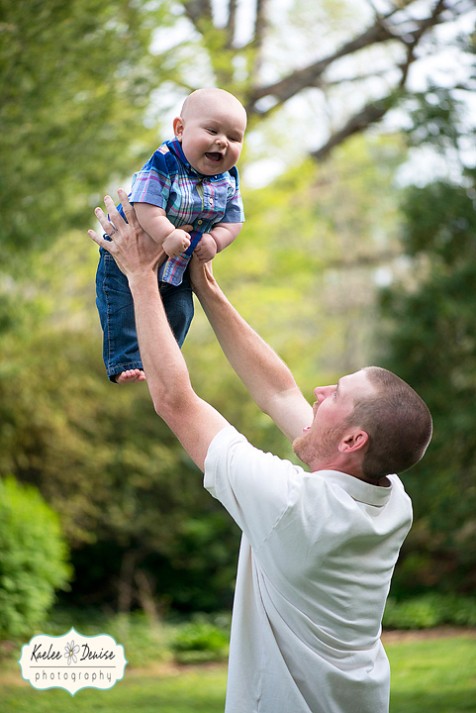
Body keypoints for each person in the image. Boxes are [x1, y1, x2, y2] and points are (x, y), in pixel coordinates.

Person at [88, 191, 433, 713]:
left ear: (353, 440)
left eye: (336, 395)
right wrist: (203, 284)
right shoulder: (390, 496)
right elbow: (278, 393)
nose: (319, 393)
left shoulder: (292, 506)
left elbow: (175, 402)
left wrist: (139, 277)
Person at [95, 87, 247, 383]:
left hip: (177, 266)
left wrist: (216, 240)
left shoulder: (229, 179)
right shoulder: (165, 160)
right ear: (180, 129)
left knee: (180, 311)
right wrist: (166, 234)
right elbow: (145, 203)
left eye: (233, 137)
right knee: (121, 306)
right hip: (128, 255)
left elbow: (234, 220)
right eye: (212, 130)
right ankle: (125, 360)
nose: (222, 142)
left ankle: (162, 362)